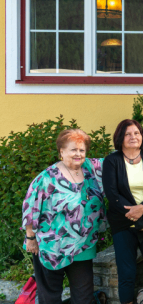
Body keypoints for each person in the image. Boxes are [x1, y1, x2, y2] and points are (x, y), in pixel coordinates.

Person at [22, 129, 104, 304]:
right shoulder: (47, 178)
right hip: (51, 246)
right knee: (50, 296)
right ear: (61, 151)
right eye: (73, 149)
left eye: (82, 150)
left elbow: (121, 163)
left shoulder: (91, 169)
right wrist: (30, 237)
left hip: (83, 245)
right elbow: (30, 207)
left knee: (84, 297)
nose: (78, 154)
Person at [103, 120, 143, 303]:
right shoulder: (112, 161)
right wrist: (140, 221)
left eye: (137, 133)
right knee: (127, 272)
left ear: (142, 136)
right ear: (120, 138)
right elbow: (112, 194)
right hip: (123, 223)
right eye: (128, 134)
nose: (133, 137)